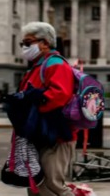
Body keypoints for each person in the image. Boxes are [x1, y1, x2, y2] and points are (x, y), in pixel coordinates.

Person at [12, 22, 75, 196]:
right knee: (35, 186)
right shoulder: (36, 67)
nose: (24, 47)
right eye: (22, 43)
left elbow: (59, 95)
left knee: (52, 185)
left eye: (28, 43)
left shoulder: (55, 64)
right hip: (38, 135)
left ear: (45, 43)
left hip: (54, 136)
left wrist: (30, 106)